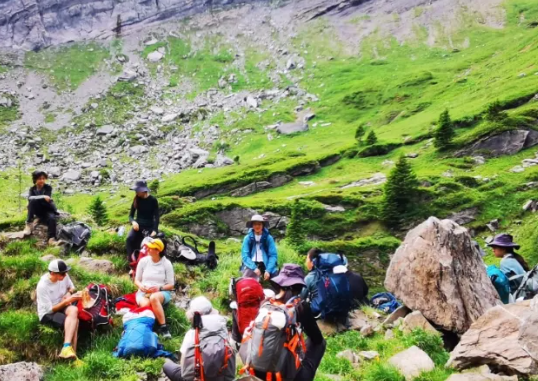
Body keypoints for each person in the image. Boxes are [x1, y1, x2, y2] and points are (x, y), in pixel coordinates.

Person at [245, 264, 326, 381]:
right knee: (320, 343)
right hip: (282, 376)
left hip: (255, 371)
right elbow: (316, 338)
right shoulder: (300, 306)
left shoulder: (266, 303)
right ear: (299, 286)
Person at [163, 296, 236, 381]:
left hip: (197, 378)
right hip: (222, 378)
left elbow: (184, 366)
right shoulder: (223, 329)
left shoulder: (191, 334)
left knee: (167, 365)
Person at [36, 259, 82, 360]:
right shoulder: (42, 286)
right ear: (52, 273)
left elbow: (72, 288)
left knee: (74, 310)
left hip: (61, 305)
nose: (65, 276)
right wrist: (67, 301)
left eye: (65, 273)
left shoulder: (64, 276)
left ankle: (67, 349)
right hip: (48, 313)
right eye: (62, 274)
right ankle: (71, 353)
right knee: (75, 321)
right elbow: (50, 310)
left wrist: (68, 294)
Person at [302, 248, 369, 311]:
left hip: (321, 311)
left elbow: (301, 297)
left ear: (312, 262)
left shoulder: (311, 277)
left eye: (307, 259)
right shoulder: (335, 276)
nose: (305, 262)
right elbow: (365, 292)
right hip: (346, 309)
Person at [134, 238, 174, 339]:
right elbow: (136, 280)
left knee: (154, 298)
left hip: (161, 292)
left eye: (151, 248)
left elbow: (171, 285)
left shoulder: (167, 263)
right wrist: (141, 286)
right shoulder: (143, 261)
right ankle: (150, 328)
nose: (147, 249)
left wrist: (159, 288)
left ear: (158, 251)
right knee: (146, 304)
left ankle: (164, 328)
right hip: (143, 292)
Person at [126, 180, 160, 260]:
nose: (136, 192)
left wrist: (155, 230)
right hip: (138, 226)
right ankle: (131, 263)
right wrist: (133, 222)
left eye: (137, 190)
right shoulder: (136, 199)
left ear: (143, 190)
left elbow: (157, 216)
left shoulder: (153, 200)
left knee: (147, 244)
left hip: (149, 227)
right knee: (129, 239)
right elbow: (130, 216)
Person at [24, 170, 59, 245]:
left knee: (52, 218)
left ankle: (51, 239)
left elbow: (47, 199)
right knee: (32, 202)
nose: (42, 181)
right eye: (40, 179)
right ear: (35, 179)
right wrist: (42, 196)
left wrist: (37, 198)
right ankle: (28, 223)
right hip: (38, 210)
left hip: (47, 209)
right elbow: (30, 198)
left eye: (43, 179)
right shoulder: (32, 189)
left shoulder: (48, 187)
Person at [241, 214, 278, 281]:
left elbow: (273, 255)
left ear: (263, 225)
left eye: (259, 224)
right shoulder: (247, 238)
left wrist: (268, 270)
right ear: (252, 226)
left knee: (276, 279)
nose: (257, 226)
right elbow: (245, 256)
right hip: (251, 263)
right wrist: (254, 268)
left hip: (266, 262)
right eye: (255, 224)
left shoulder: (268, 238)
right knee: (247, 281)